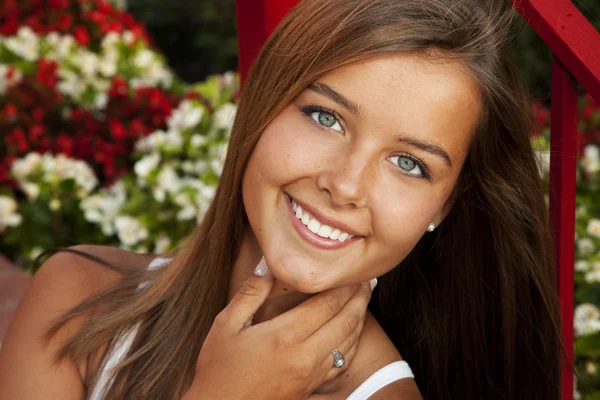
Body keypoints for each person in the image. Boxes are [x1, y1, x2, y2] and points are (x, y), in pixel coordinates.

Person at [0, 0, 562, 398]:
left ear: (443, 205)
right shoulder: (75, 297)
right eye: (326, 117)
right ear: (262, 104)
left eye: (409, 163)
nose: (345, 184)